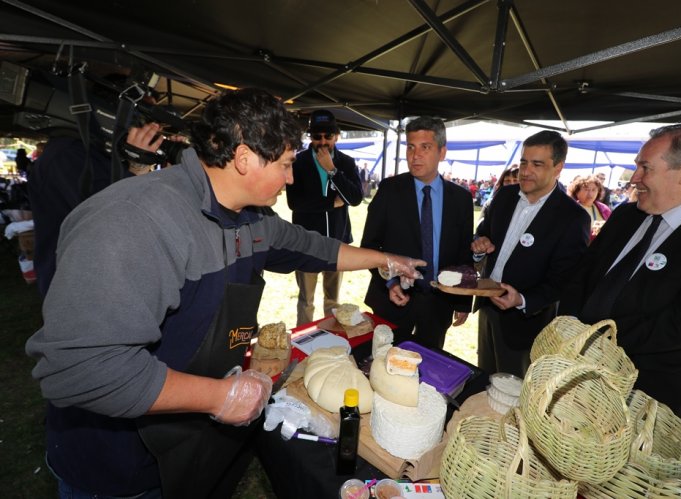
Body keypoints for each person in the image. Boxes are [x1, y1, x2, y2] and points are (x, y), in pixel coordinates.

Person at [25, 88, 422, 499]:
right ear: (245, 157)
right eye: (286, 164)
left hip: (192, 445)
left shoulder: (250, 218)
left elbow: (313, 247)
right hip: (119, 466)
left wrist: (384, 259)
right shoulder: (135, 220)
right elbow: (80, 370)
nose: (291, 178)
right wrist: (221, 396)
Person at [559, 124, 681, 421]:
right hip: (574, 375)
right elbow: (580, 278)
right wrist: (569, 335)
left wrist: (592, 344)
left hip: (644, 400)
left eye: (644, 168)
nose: (634, 179)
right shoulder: (625, 216)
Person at [471, 131, 590, 377]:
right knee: (484, 378)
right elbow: (482, 233)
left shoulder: (572, 217)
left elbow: (564, 280)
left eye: (537, 164)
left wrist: (523, 300)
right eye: (524, 161)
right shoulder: (504, 196)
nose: (526, 171)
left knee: (513, 390)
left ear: (558, 167)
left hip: (526, 323)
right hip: (487, 307)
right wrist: (479, 244)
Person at [361, 116, 474, 349]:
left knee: (429, 368)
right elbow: (370, 246)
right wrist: (390, 281)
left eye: (425, 147)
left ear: (442, 152)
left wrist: (463, 300)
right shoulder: (389, 190)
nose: (415, 155)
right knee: (383, 366)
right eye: (410, 147)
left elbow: (463, 254)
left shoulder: (461, 199)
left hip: (439, 303)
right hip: (392, 299)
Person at [28, 123, 171, 297]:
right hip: (84, 292)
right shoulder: (69, 155)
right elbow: (112, 220)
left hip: (98, 285)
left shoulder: (91, 151)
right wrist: (138, 166)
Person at [286, 110, 363, 326]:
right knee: (306, 301)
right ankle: (303, 337)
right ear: (310, 137)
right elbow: (296, 203)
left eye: (327, 137)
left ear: (336, 136)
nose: (322, 142)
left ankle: (330, 340)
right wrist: (331, 203)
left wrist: (332, 170)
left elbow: (355, 198)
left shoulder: (345, 162)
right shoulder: (298, 162)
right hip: (306, 243)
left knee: (332, 300)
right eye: (317, 137)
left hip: (337, 242)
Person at [567, 174, 612, 239]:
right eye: (586, 189)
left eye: (594, 190)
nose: (590, 194)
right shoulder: (570, 208)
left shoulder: (605, 209)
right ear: (576, 191)